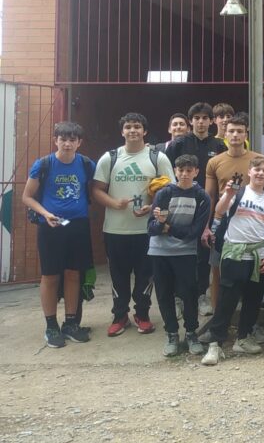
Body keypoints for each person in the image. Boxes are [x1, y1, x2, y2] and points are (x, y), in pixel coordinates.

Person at [92, 112, 174, 337]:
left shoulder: (157, 158)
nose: (133, 131)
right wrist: (114, 203)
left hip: (147, 230)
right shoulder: (110, 158)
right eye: (128, 127)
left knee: (146, 275)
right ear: (122, 131)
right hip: (115, 229)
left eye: (137, 126)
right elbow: (96, 190)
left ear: (144, 131)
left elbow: (170, 190)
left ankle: (143, 315)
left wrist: (152, 206)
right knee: (118, 276)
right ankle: (119, 316)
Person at [22, 121, 96, 348]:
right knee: (50, 275)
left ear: (79, 142)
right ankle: (51, 326)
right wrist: (46, 214)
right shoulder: (43, 164)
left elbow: (97, 188)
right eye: (63, 139)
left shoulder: (86, 164)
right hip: (51, 226)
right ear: (56, 140)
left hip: (78, 225)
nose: (67, 144)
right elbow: (27, 196)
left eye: (72, 140)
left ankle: (71, 323)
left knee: (73, 274)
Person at [202, 156, 264, 365]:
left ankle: (243, 338)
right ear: (249, 172)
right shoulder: (238, 193)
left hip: (259, 256)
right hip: (235, 254)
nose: (260, 173)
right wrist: (228, 194)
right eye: (257, 169)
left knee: (253, 299)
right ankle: (215, 344)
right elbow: (219, 211)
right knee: (227, 300)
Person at [165, 101, 226, 315]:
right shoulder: (178, 144)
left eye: (205, 118)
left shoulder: (219, 145)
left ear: (211, 121)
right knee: (179, 252)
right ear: (191, 121)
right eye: (197, 118)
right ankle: (179, 298)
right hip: (180, 203)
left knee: (203, 253)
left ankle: (201, 296)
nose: (201, 122)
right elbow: (167, 173)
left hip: (207, 204)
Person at [148, 154, 211, 357]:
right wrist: (160, 224)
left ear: (196, 172)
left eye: (189, 170)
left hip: (186, 252)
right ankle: (171, 334)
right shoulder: (163, 193)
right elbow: (151, 228)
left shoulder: (202, 197)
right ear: (175, 171)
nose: (184, 174)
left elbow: (194, 232)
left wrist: (168, 227)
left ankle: (191, 333)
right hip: (160, 251)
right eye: (181, 170)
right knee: (164, 293)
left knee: (189, 293)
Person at [203, 115, 264, 315]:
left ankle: (248, 323)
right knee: (217, 269)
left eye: (240, 131)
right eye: (231, 131)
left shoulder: (258, 160)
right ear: (225, 134)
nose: (235, 135)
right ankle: (217, 317)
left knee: (250, 272)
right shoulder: (214, 162)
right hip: (222, 221)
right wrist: (206, 226)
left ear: (246, 133)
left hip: (251, 222)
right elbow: (210, 196)